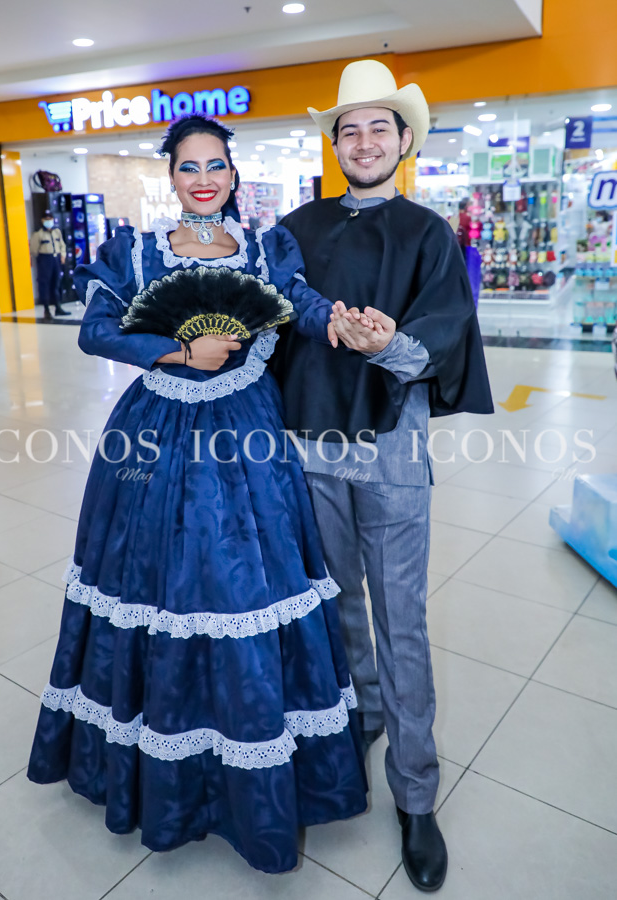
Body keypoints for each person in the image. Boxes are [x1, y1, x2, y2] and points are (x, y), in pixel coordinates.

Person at [27, 114, 368, 874]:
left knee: (249, 583)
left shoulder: (267, 248)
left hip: (248, 430)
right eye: (190, 167)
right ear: (171, 176)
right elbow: (97, 330)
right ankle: (168, 773)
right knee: (156, 582)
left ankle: (251, 759)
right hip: (154, 435)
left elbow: (299, 305)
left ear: (234, 175)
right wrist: (181, 350)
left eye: (217, 165)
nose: (205, 179)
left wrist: (337, 323)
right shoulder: (137, 251)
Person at [273, 59, 493, 892]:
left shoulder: (429, 233)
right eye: (348, 128)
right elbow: (274, 319)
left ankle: (416, 792)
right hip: (305, 446)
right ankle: (360, 715)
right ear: (334, 143)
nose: (362, 141)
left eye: (378, 127)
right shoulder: (294, 228)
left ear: (404, 141)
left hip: (391, 450)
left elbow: (442, 327)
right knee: (335, 605)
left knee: (402, 618)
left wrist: (385, 345)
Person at [30, 210, 71, 319]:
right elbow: (34, 250)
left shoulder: (56, 232)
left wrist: (63, 255)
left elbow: (62, 245)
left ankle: (58, 307)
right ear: (42, 220)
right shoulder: (38, 234)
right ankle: (46, 309)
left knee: (56, 283)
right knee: (45, 284)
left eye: (50, 219)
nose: (49, 221)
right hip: (44, 259)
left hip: (56, 259)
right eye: (46, 219)